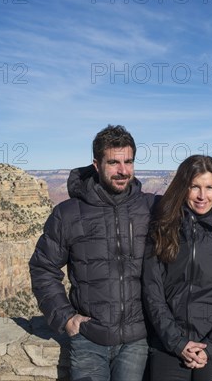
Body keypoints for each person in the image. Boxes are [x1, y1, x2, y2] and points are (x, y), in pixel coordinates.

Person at [29, 125, 156, 381]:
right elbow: (43, 267)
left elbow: (198, 221)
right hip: (89, 339)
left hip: (136, 340)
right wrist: (65, 318)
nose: (123, 170)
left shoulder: (151, 207)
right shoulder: (68, 213)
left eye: (128, 161)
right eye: (113, 162)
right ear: (96, 165)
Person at [142, 155, 212, 381]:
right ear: (183, 188)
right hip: (168, 345)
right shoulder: (163, 232)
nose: (203, 196)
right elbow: (153, 294)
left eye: (209, 187)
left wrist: (211, 347)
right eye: (195, 187)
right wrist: (178, 343)